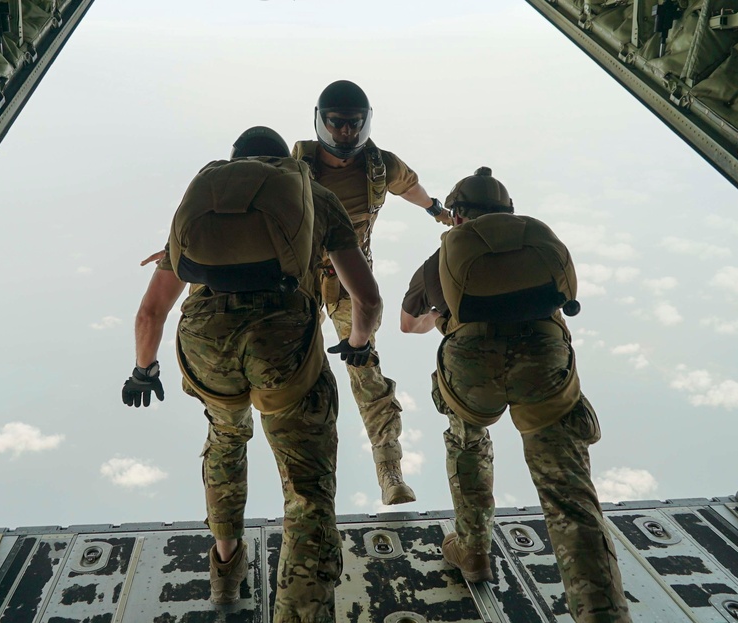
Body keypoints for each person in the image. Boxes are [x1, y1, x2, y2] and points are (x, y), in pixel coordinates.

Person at [123, 126, 381, 622]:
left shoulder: (204, 198)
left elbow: (149, 313)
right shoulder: (314, 194)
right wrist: (358, 345)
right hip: (281, 338)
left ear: (235, 160)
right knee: (306, 490)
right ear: (284, 161)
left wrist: (143, 371)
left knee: (226, 437)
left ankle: (225, 568)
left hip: (205, 341)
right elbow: (365, 298)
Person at [399, 167, 632, 622]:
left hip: (470, 363)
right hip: (542, 357)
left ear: (457, 215)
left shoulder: (441, 257)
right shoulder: (533, 240)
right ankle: (601, 612)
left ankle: (473, 550)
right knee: (567, 492)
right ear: (508, 211)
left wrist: (442, 316)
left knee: (468, 440)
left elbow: (409, 324)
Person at [293, 79, 451, 505]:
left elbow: (410, 188)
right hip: (303, 275)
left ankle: (390, 470)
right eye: (338, 123)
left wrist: (435, 209)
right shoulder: (296, 163)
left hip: (350, 278)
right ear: (322, 123)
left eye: (354, 124)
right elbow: (254, 195)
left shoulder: (380, 165)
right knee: (292, 372)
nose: (346, 132)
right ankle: (304, 486)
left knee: (366, 372)